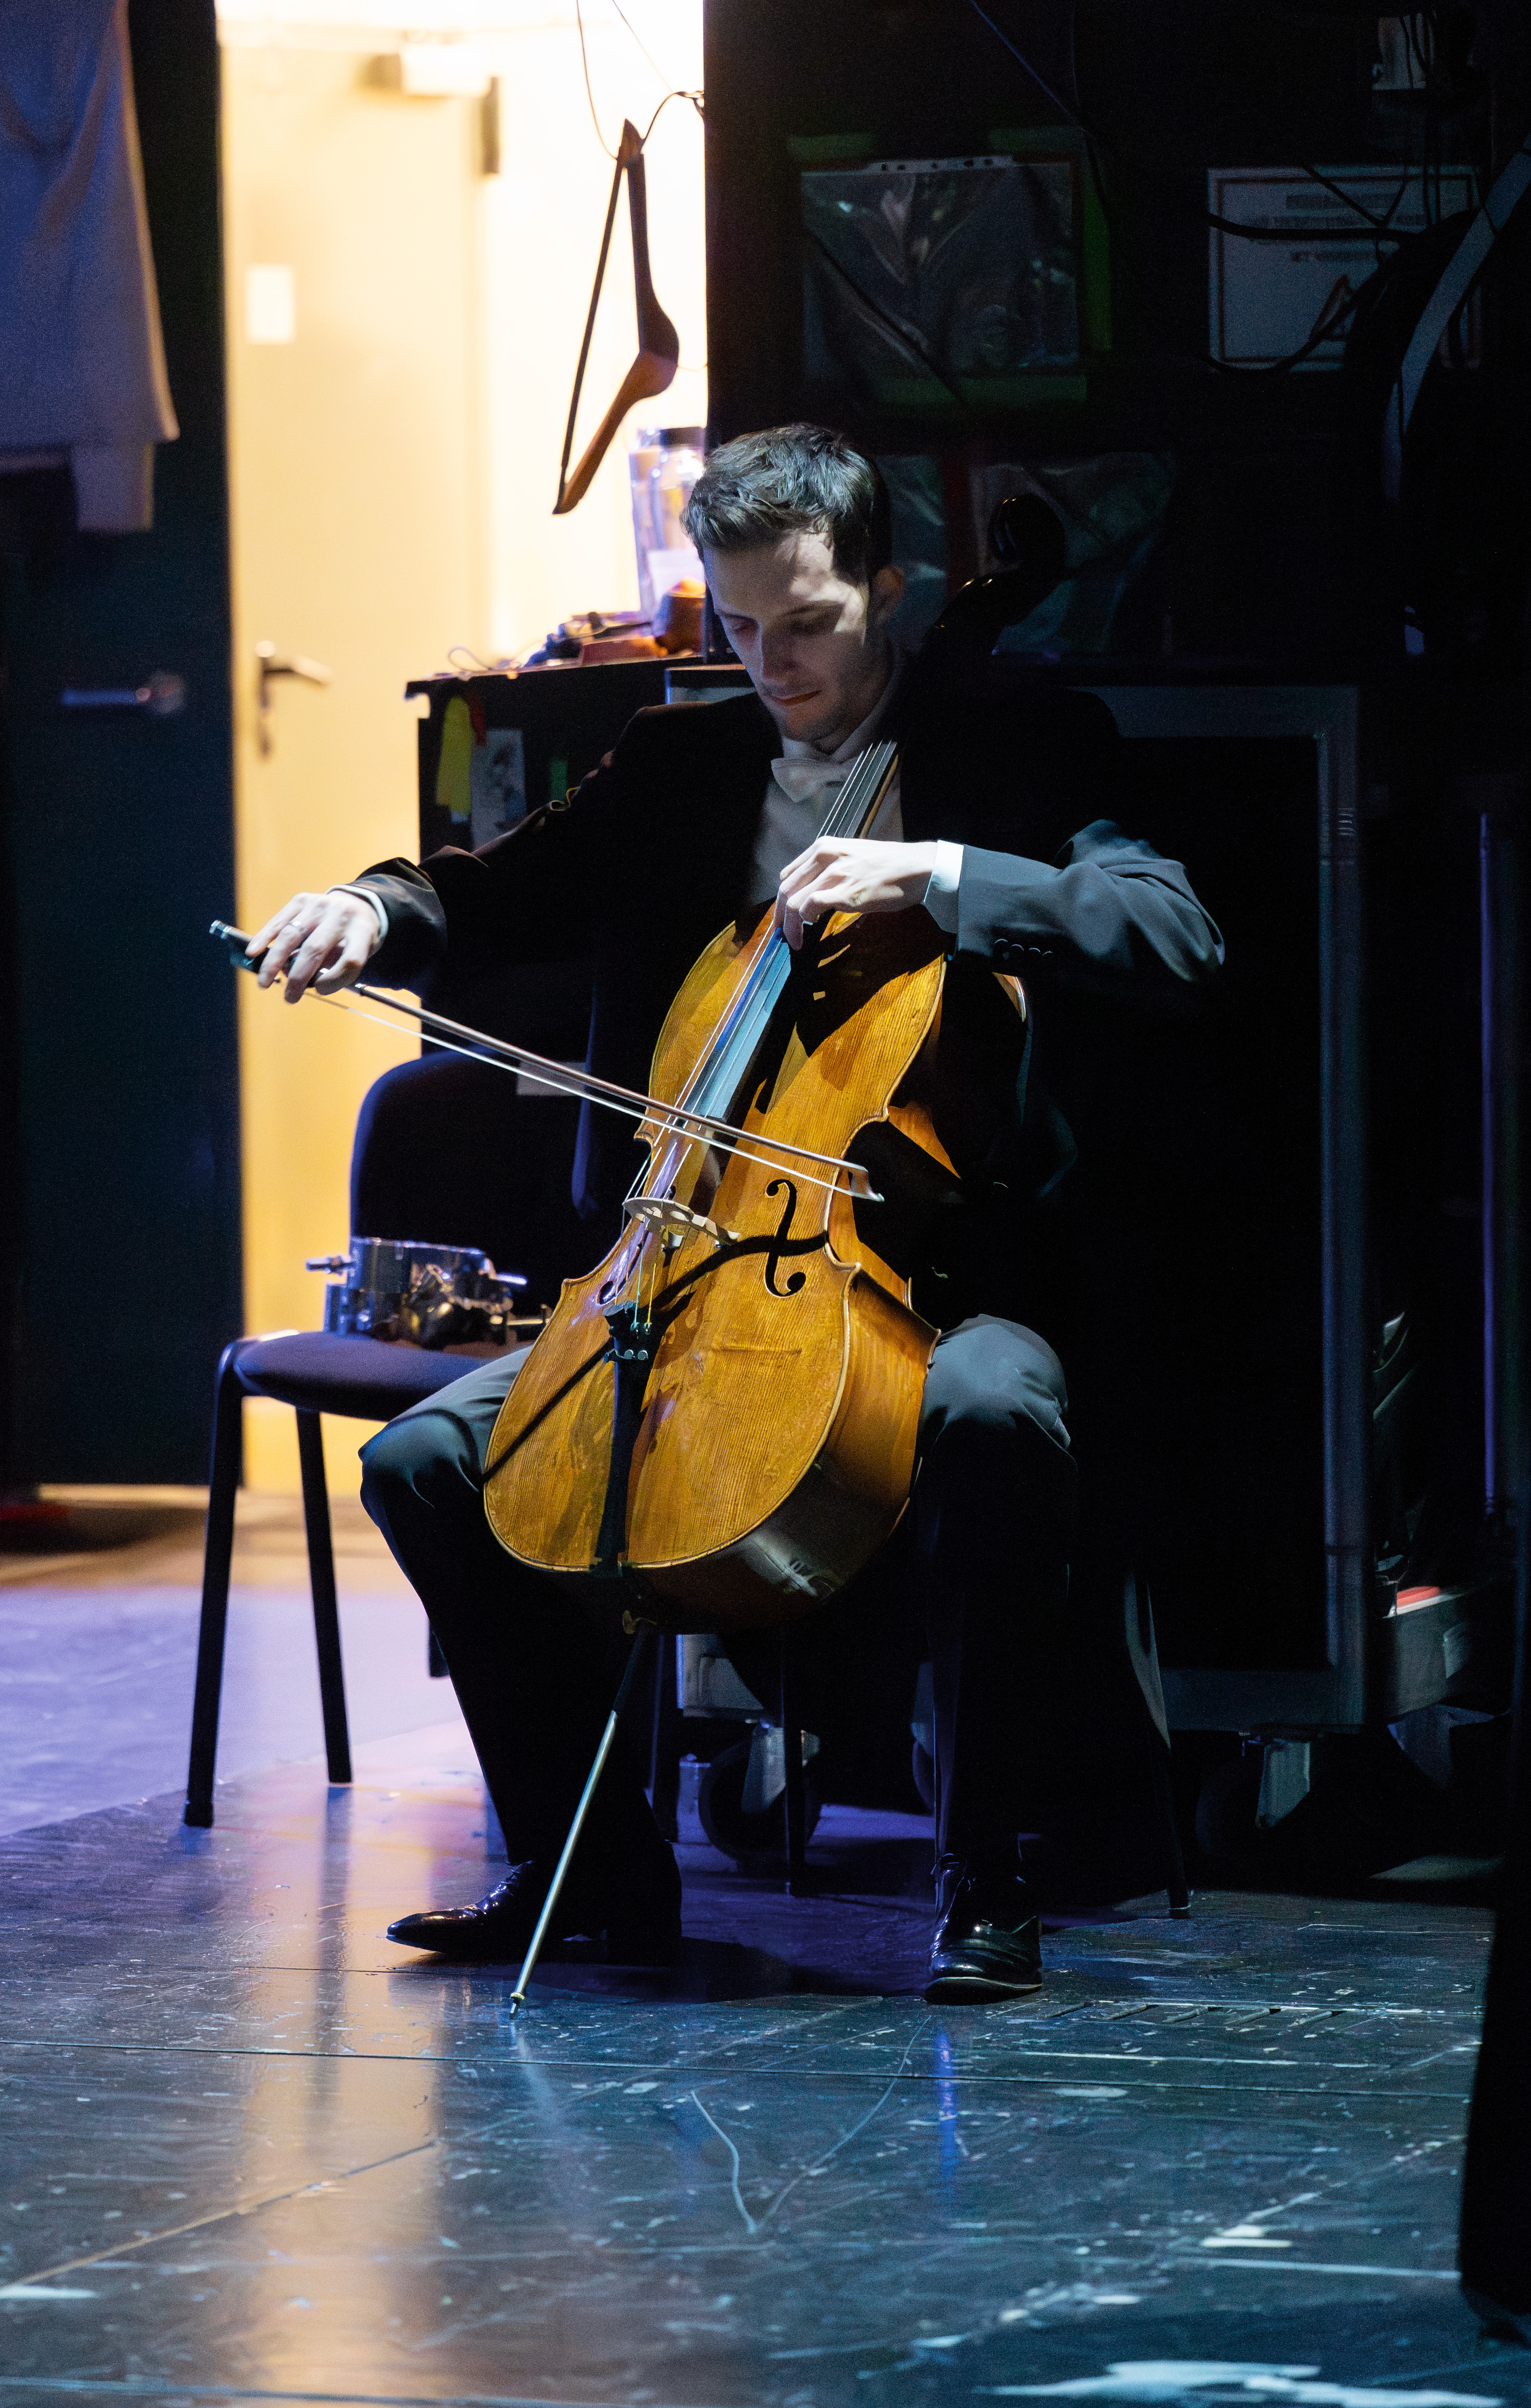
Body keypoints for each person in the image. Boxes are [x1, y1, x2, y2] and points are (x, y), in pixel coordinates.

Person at [249, 426, 1222, 1999]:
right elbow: (492, 891)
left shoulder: (1016, 739)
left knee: (985, 1416)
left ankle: (981, 1875)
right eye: (739, 629)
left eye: (808, 625)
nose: (769, 665)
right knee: (430, 1464)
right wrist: (376, 905)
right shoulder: (678, 766)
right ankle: (586, 1870)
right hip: (701, 1266)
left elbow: (1169, 932)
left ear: (887, 595)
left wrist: (946, 875)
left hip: (939, 1275)